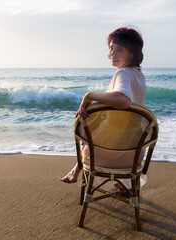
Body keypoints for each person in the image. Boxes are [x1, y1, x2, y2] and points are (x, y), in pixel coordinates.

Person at [61, 26, 146, 184]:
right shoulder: (139, 76)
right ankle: (125, 184)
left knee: (84, 135)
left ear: (132, 53)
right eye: (111, 48)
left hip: (111, 155)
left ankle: (76, 172)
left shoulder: (123, 73)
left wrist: (89, 95)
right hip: (135, 156)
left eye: (119, 49)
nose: (112, 53)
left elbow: (124, 101)